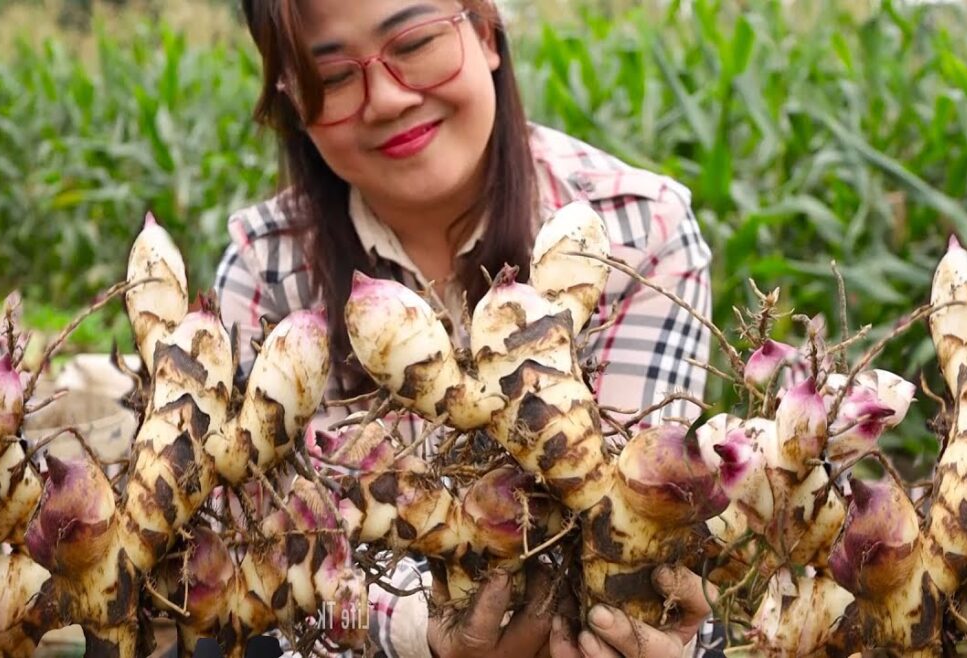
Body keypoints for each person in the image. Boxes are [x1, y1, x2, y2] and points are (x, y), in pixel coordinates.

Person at [214, 1, 720, 656]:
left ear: (485, 33)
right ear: (292, 102)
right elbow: (264, 555)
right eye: (334, 77)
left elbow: (635, 519)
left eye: (416, 41)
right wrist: (412, 633)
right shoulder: (264, 265)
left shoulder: (636, 230)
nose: (388, 99)